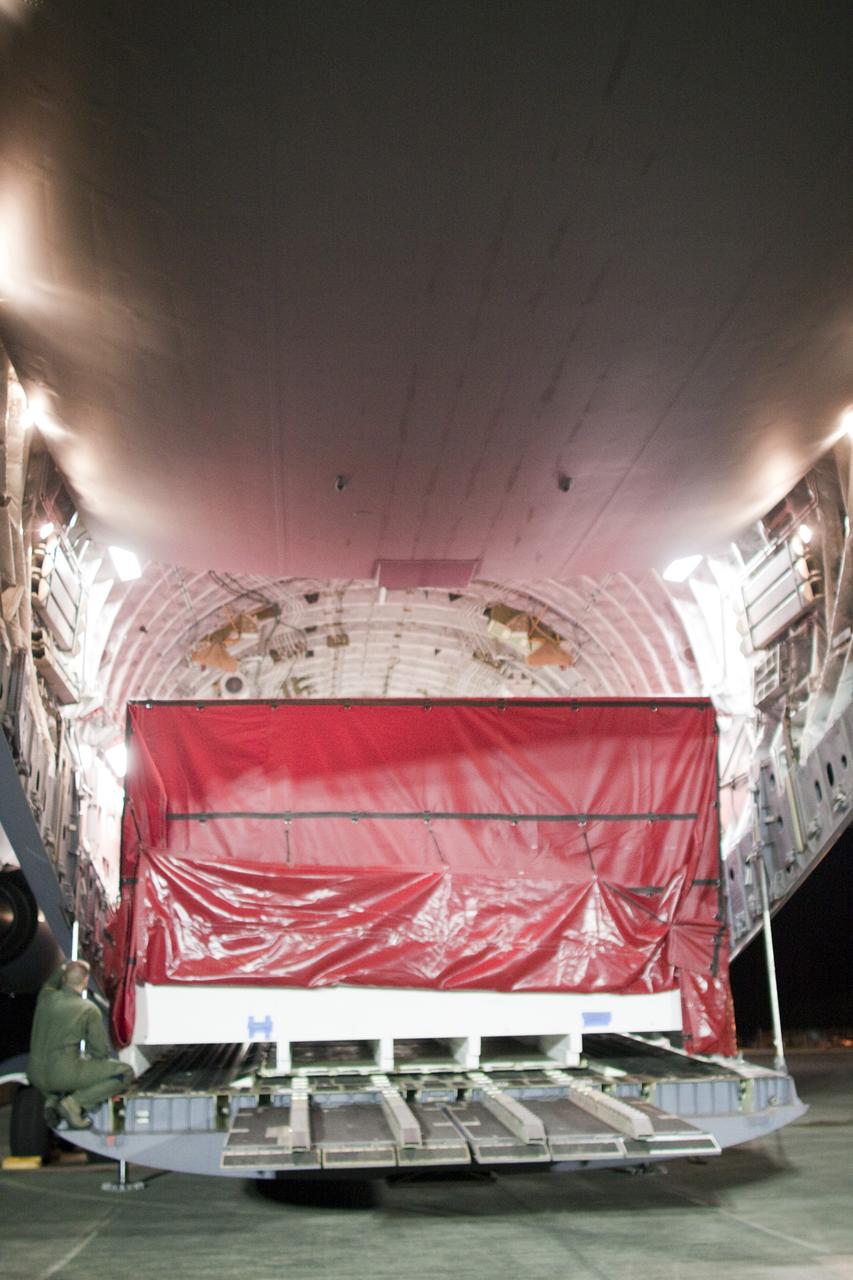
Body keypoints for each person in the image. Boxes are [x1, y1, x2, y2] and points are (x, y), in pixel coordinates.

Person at [27, 959, 134, 1130]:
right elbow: (100, 1052)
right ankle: (75, 1104)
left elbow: (50, 982)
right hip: (61, 1074)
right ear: (86, 980)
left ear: (63, 979)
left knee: (62, 1074)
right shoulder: (88, 1009)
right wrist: (89, 1060)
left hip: (35, 1075)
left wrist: (66, 966)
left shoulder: (45, 997)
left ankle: (52, 1103)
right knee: (125, 1073)